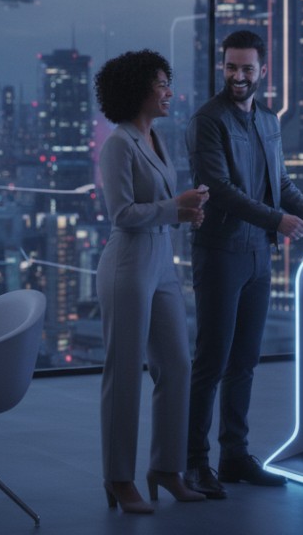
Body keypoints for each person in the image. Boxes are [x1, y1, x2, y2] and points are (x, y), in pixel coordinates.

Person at [183, 30, 303, 498]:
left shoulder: (267, 121)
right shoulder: (208, 120)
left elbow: (281, 184)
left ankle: (234, 456)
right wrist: (278, 221)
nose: (238, 76)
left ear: (263, 70)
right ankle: (195, 464)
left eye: (246, 68)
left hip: (257, 253)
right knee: (212, 361)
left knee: (244, 362)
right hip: (220, 252)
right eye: (231, 67)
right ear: (222, 67)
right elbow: (219, 189)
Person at [94, 49, 210, 514]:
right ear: (139, 88)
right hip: (128, 263)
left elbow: (160, 206)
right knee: (123, 374)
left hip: (162, 262)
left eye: (168, 82)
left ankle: (166, 467)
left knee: (177, 365)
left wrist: (185, 210)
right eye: (161, 83)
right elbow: (120, 214)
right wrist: (174, 206)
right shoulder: (118, 143)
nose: (169, 91)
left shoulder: (155, 138)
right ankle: (119, 478)